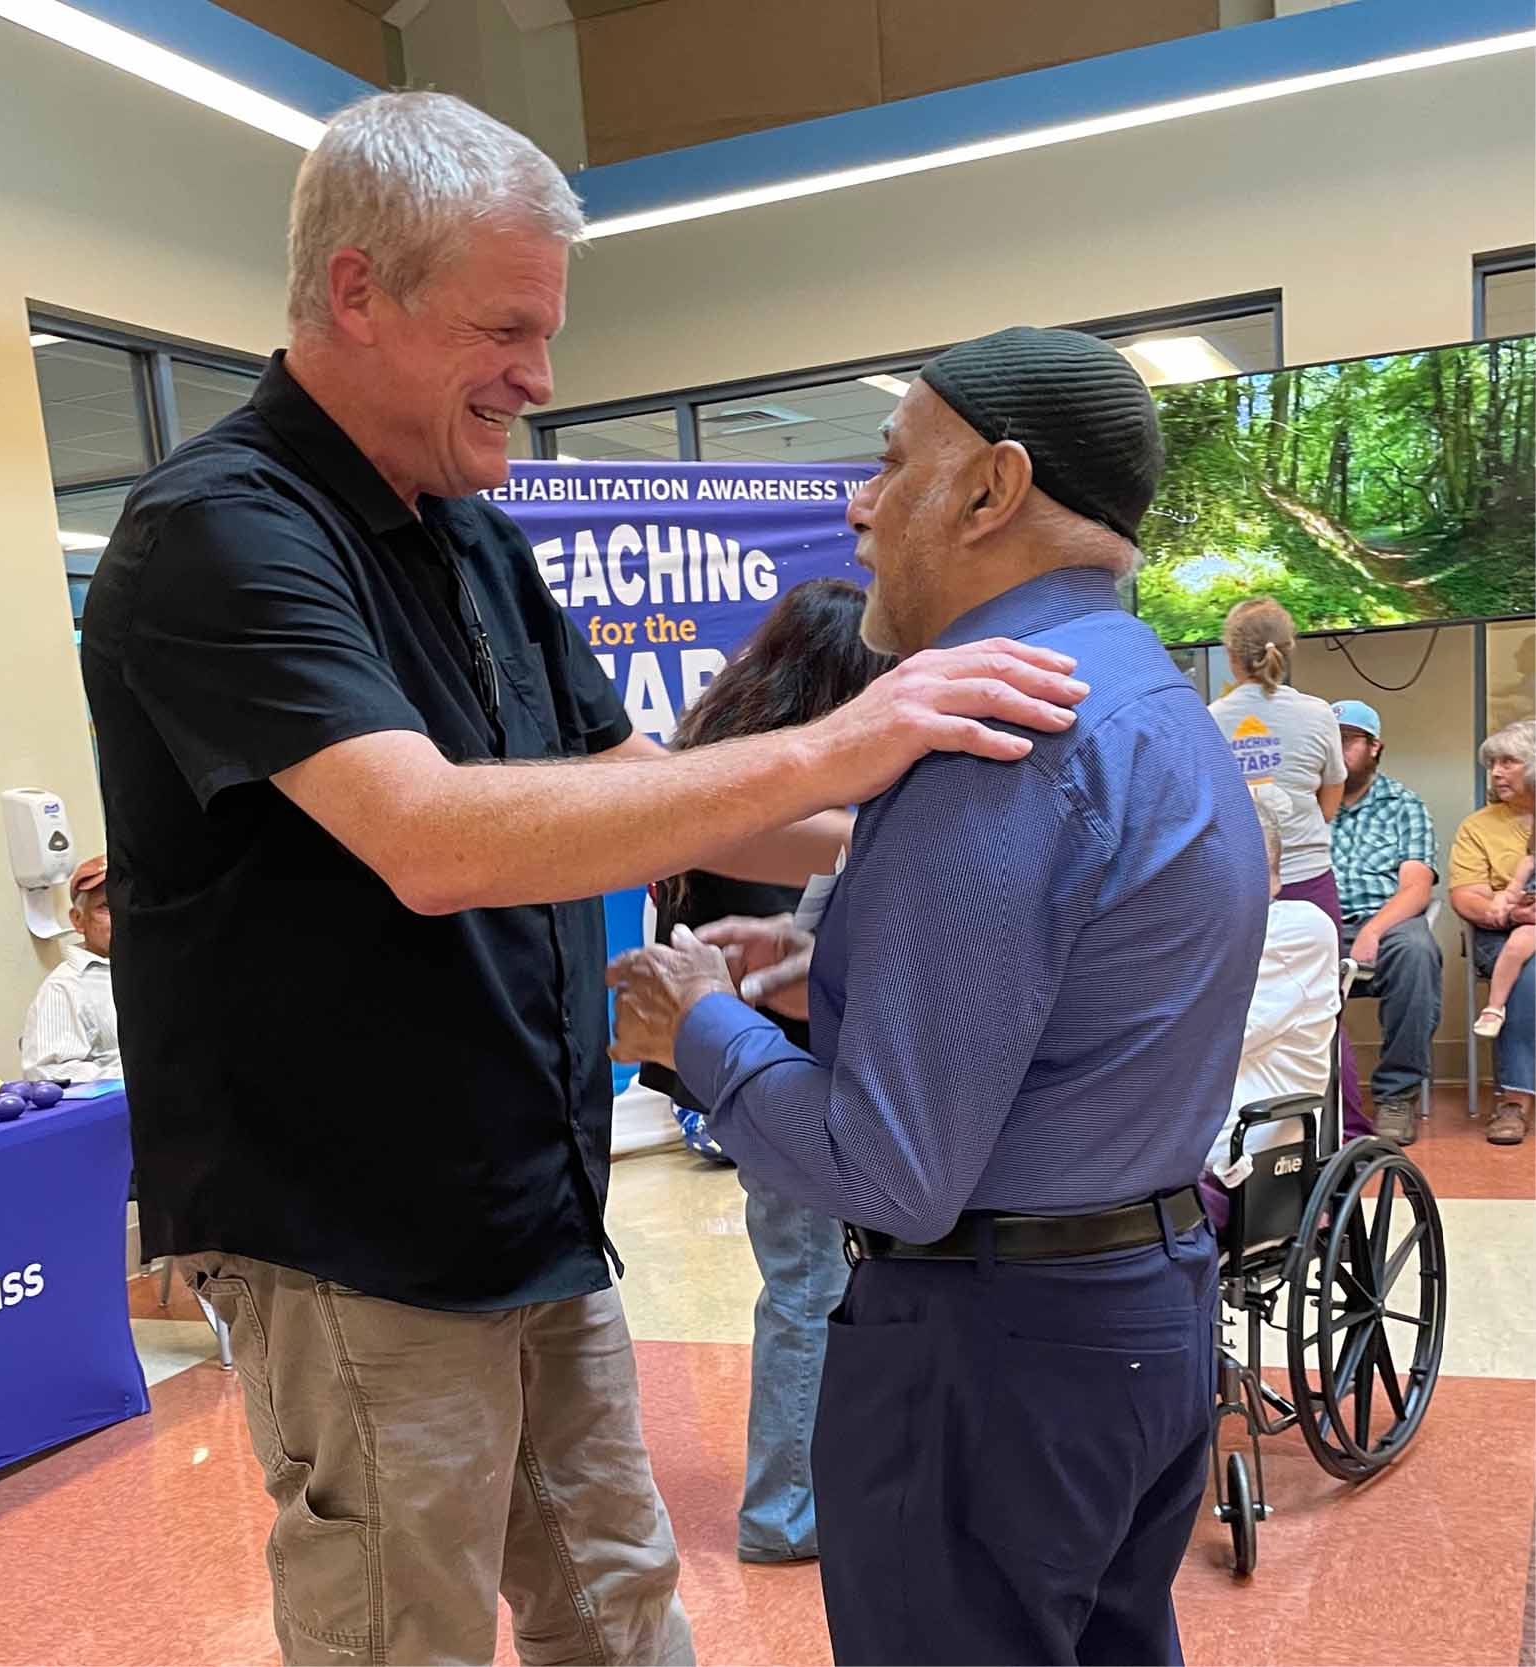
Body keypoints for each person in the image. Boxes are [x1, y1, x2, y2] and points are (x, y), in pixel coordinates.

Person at [78, 94, 1088, 1667]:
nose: (539, 380)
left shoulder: (465, 531)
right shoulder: (217, 532)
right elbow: (429, 837)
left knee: (615, 1597)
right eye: (505, 328)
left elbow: (633, 789)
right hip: (359, 1237)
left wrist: (930, 843)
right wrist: (837, 747)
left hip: (532, 1206)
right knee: (395, 1631)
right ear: (357, 291)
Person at [608, 326, 1268, 1667]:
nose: (853, 504)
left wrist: (699, 1026)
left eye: (889, 462)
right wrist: (827, 992)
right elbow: (1071, 1009)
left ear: (989, 490)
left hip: (987, 1357)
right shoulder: (1154, 699)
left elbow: (894, 1169)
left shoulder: (985, 737)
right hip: (1138, 1308)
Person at [642, 578, 892, 1567]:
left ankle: (807, 1488)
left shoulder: (718, 756)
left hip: (725, 1065)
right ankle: (786, 1510)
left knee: (808, 1278)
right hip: (777, 1065)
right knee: (808, 1282)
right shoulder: (772, 791)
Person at [1209, 598, 1365, 1136]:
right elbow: (1331, 794)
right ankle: (1346, 1130)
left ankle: (1244, 1131)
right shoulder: (1318, 714)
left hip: (1240, 879)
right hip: (1307, 876)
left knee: (1239, 1004)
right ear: (1289, 649)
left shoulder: (1212, 719)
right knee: (1322, 1007)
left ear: (1232, 656)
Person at [1201, 787, 1339, 1230]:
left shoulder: (1297, 928)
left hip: (1241, 1159)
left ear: (1273, 876)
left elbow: (1208, 1041)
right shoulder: (1184, 934)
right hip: (1160, 1149)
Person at [1326, 698, 1442, 1146]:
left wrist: (1374, 929)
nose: (1337, 750)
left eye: (1348, 741)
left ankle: (1396, 1095)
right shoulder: (1307, 802)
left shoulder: (1403, 804)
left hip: (1384, 921)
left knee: (1415, 950)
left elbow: (1416, 887)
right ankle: (1303, 1093)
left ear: (1375, 747)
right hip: (1319, 924)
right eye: (1330, 741)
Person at [1449, 719, 1536, 1147]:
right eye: (1492, 764)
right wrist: (1510, 913)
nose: (1497, 773)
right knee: (1529, 970)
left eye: (1508, 762)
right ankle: (1515, 1101)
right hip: (1502, 933)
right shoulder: (1478, 826)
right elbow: (1467, 898)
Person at [19, 854, 121, 1083]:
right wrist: (135, 1078)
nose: (121, 915)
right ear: (78, 920)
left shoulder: (158, 970)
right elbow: (46, 1073)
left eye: (127, 903)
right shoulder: (65, 987)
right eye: (106, 906)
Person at [1475, 849, 1534, 1037]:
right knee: (1516, 945)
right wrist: (1502, 900)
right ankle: (1494, 1007)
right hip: (1533, 922)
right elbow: (1511, 893)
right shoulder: (1530, 862)